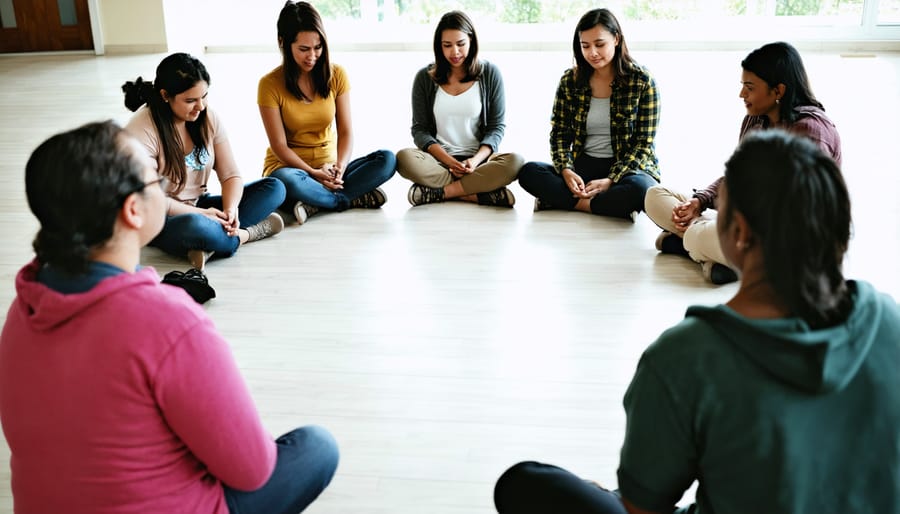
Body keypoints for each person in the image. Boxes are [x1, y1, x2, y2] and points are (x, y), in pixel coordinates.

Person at [494, 130, 900, 514]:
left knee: (525, 483)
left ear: (737, 232)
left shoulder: (685, 357)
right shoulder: (890, 322)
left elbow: (643, 508)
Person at [0, 121, 339, 513]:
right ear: (133, 210)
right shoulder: (167, 321)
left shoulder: (24, 306)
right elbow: (251, 469)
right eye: (156, 183)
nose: (161, 187)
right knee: (317, 447)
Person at [644, 41, 842, 285]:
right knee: (656, 196)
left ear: (778, 91)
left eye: (749, 87)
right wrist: (700, 201)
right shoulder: (756, 120)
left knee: (700, 237)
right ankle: (718, 254)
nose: (742, 95)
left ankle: (703, 247)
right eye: (742, 86)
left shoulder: (810, 131)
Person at [123, 52, 287, 271]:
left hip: (200, 204)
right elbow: (149, 199)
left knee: (274, 187)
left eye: (204, 96)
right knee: (195, 225)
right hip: (161, 217)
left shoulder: (207, 117)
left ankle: (211, 242)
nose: (200, 106)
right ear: (165, 95)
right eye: (190, 100)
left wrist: (231, 210)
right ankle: (245, 235)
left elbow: (230, 174)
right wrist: (203, 214)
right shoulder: (141, 130)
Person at [259, 0, 396, 225]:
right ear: (283, 43)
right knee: (285, 181)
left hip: (330, 169)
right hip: (294, 171)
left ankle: (317, 202)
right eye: (303, 49)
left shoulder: (337, 74)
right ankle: (345, 199)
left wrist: (340, 167)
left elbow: (346, 130)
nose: (312, 56)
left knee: (387, 159)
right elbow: (279, 146)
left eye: (318, 47)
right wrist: (313, 173)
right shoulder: (269, 84)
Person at [517, 8, 660, 221]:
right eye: (585, 46)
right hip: (584, 165)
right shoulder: (570, 81)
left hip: (626, 168)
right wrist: (566, 170)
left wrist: (611, 180)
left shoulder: (641, 81)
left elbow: (643, 143)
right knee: (529, 172)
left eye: (599, 44)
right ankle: (602, 205)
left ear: (617, 39)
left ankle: (566, 202)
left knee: (643, 191)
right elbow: (560, 134)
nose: (592, 52)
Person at [396, 11, 523, 208]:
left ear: (471, 41)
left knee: (516, 162)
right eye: (447, 45)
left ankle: (440, 193)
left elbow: (496, 128)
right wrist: (449, 162)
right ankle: (480, 193)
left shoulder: (489, 74)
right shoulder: (425, 77)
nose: (454, 52)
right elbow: (419, 130)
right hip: (438, 162)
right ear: (439, 46)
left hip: (478, 163)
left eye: (461, 44)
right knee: (404, 158)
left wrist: (474, 161)